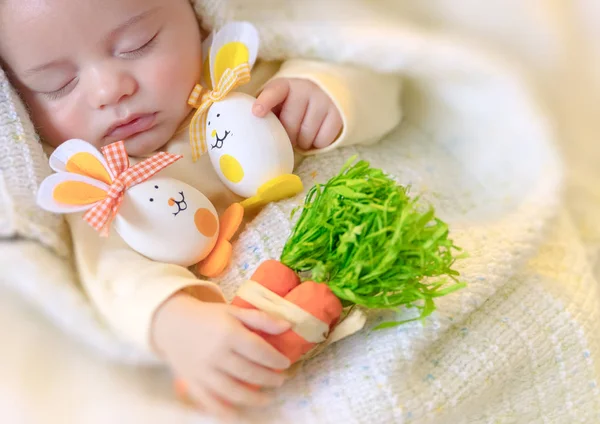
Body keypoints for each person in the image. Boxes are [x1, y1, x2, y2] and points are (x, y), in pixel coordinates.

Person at [0, 0, 402, 417]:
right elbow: (112, 271)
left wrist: (326, 92)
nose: (108, 90)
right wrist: (173, 320)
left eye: (138, 44)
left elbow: (380, 76)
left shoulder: (240, 78)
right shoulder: (97, 186)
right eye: (57, 84)